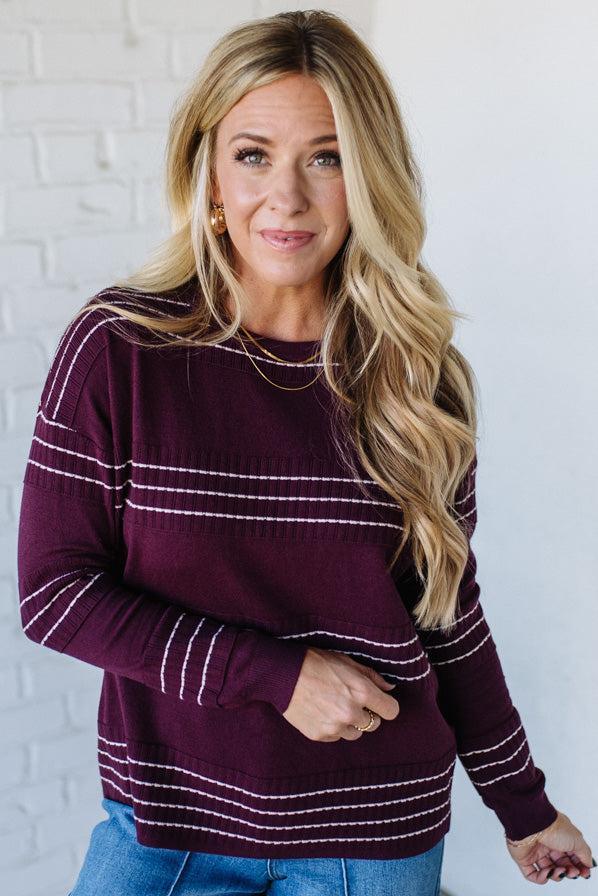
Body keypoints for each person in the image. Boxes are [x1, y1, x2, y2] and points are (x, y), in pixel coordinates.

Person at [16, 9, 592, 895]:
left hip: (374, 833)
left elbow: (446, 613)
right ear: (209, 172)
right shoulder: (121, 349)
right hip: (167, 822)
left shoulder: (415, 374)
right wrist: (275, 677)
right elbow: (56, 594)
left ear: (369, 180)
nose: (286, 197)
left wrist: (523, 803)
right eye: (254, 155)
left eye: (327, 158)